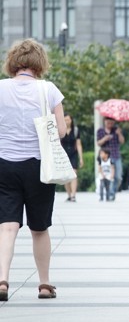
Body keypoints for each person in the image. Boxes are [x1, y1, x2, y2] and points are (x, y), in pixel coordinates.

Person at [0, 38, 66, 301]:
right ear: (40, 63)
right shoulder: (48, 90)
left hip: (5, 164)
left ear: (13, 63)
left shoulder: (1, 88)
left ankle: (2, 280)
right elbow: (60, 132)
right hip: (39, 166)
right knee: (39, 228)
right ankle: (44, 284)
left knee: (7, 226)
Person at [96, 117, 124, 200]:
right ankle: (110, 193)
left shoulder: (116, 130)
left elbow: (122, 141)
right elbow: (98, 143)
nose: (110, 124)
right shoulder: (100, 131)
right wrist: (105, 138)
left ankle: (113, 191)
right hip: (105, 158)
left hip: (116, 155)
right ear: (105, 121)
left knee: (118, 177)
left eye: (112, 122)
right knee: (105, 176)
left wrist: (119, 133)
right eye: (108, 122)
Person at [61, 114, 84, 202]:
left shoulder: (76, 130)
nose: (67, 121)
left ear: (71, 120)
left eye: (68, 120)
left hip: (73, 155)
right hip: (63, 155)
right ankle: (69, 195)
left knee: (74, 174)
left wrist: (81, 158)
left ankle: (73, 195)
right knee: (66, 176)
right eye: (65, 120)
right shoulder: (60, 130)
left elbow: (78, 144)